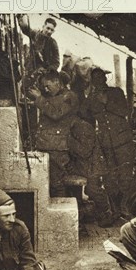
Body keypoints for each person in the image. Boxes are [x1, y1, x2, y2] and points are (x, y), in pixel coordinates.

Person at [82, 67, 136, 219]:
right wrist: (88, 97)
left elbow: (125, 111)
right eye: (95, 79)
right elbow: (85, 114)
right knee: (110, 178)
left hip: (123, 141)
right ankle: (115, 210)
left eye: (100, 78)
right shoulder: (91, 97)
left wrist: (106, 102)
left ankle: (127, 208)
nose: (98, 81)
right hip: (105, 143)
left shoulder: (116, 92)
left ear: (105, 79)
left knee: (125, 176)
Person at [29, 69, 79, 197]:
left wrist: (39, 98)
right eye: (44, 86)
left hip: (57, 146)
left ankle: (62, 210)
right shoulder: (52, 97)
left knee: (57, 183)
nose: (45, 89)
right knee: (50, 182)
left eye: (48, 85)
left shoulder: (69, 96)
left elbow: (56, 114)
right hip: (48, 144)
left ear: (57, 82)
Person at [67, 117, 115, 227]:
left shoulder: (83, 127)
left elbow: (85, 151)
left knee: (93, 190)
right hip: (85, 165)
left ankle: (107, 213)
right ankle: (84, 213)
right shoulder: (75, 126)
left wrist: (68, 141)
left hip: (93, 166)